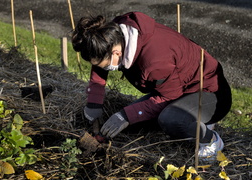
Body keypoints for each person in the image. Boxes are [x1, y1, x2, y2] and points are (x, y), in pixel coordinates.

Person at [72, 12, 232, 161]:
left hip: (209, 93)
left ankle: (210, 139)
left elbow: (167, 97)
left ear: (116, 53)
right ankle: (194, 119)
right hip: (175, 88)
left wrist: (126, 115)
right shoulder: (113, 35)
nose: (105, 68)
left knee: (170, 119)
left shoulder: (154, 61)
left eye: (105, 65)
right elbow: (99, 66)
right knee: (132, 123)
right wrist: (94, 103)